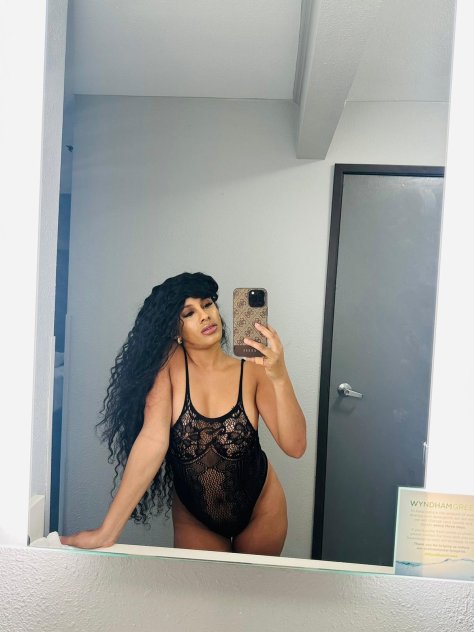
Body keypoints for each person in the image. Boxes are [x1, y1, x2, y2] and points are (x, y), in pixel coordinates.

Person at [61, 272, 306, 555]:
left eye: (207, 305)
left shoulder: (253, 372)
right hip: (196, 518)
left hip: (260, 510)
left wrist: (279, 375)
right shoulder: (170, 365)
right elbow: (153, 440)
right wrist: (107, 533)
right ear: (175, 329)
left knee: (252, 585)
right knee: (203, 586)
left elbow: (295, 447)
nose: (204, 316)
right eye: (189, 313)